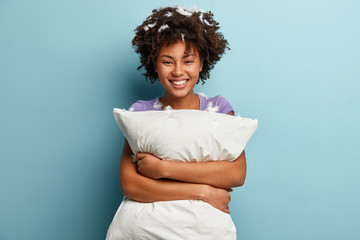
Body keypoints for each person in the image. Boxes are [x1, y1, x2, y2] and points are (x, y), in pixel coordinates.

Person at [106, 6, 246, 240]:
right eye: (168, 62)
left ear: (202, 63)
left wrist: (163, 169)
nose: (178, 71)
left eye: (188, 61)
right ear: (154, 64)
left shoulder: (219, 109)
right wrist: (201, 191)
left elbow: (235, 174)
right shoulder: (141, 113)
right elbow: (130, 184)